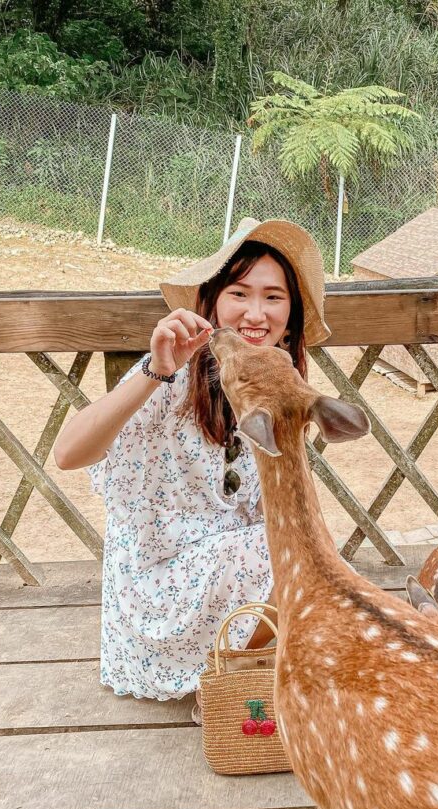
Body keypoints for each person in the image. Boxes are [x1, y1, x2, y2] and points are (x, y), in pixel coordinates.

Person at [54, 217, 330, 720]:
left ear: (290, 318)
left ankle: (244, 671)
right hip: (160, 581)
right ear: (212, 303)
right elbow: (69, 453)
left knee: (312, 554)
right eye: (239, 293)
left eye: (274, 297)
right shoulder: (172, 374)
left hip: (229, 573)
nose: (255, 312)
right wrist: (157, 370)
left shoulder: (276, 388)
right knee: (283, 555)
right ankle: (226, 685)